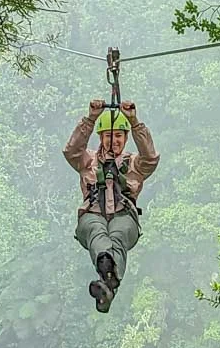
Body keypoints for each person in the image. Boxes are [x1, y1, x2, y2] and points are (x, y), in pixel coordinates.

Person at [63, 98, 160, 312]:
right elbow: (71, 152)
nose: (113, 141)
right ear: (100, 137)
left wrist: (134, 123)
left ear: (125, 138)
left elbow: (151, 158)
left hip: (124, 216)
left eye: (118, 136)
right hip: (92, 214)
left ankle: (107, 272)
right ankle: (107, 272)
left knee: (117, 233)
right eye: (108, 135)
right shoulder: (87, 161)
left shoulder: (135, 163)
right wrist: (90, 119)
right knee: (96, 231)